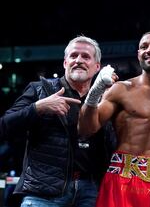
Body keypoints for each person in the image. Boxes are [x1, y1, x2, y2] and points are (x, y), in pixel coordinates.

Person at [0, 36, 116, 206]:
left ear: (97, 66)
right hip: (44, 192)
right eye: (73, 55)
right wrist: (38, 108)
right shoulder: (39, 89)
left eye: (85, 56)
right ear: (65, 63)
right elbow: (4, 127)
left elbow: (115, 144)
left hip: (90, 192)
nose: (78, 60)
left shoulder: (105, 98)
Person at [78, 31, 150, 207]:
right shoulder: (121, 89)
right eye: (144, 47)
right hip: (121, 179)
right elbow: (85, 130)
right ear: (138, 54)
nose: (149, 50)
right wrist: (95, 92)